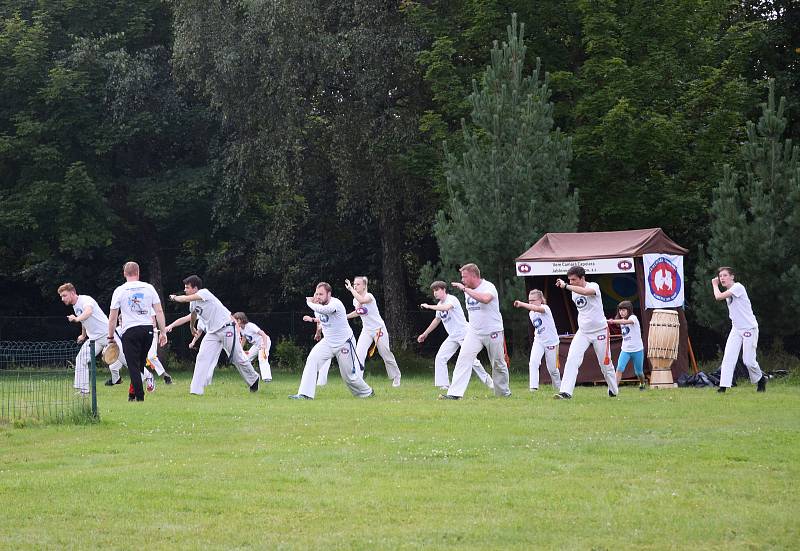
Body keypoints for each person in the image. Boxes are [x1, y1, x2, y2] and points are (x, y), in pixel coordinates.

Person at [168, 275, 260, 395]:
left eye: (187, 287)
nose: (185, 290)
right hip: (212, 333)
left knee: (237, 358)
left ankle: (253, 379)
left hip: (226, 327)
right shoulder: (193, 303)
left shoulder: (204, 292)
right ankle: (196, 390)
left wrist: (174, 297)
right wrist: (191, 327)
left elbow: (184, 299)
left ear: (195, 288)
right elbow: (194, 315)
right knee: (202, 357)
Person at [290, 282, 373, 400]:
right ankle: (305, 394)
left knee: (348, 376)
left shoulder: (336, 304)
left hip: (345, 343)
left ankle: (367, 392)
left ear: (329, 294)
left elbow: (325, 310)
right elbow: (322, 319)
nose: (318, 297)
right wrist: (318, 333)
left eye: (321, 294)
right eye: (317, 294)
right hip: (328, 342)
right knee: (312, 359)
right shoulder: (318, 305)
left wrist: (309, 302)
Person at [439, 263, 511, 400]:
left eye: (464, 277)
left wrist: (465, 290)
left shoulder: (488, 287)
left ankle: (503, 393)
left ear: (473, 275)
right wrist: (466, 290)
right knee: (463, 359)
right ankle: (454, 394)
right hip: (474, 332)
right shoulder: (468, 289)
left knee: (498, 363)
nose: (462, 280)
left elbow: (485, 299)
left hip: (493, 331)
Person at [553, 266, 618, 399]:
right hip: (583, 332)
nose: (571, 282)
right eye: (569, 280)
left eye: (574, 279)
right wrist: (567, 286)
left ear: (582, 278)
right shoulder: (573, 291)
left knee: (605, 364)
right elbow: (577, 292)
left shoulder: (594, 286)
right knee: (572, 359)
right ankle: (565, 392)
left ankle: (613, 390)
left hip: (600, 331)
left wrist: (565, 286)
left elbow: (587, 292)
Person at [417, 280, 494, 391]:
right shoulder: (439, 304)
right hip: (453, 336)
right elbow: (437, 319)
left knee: (472, 361)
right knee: (440, 357)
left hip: (464, 333)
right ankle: (444, 385)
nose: (435, 293)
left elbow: (447, 308)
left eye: (437, 290)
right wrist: (425, 334)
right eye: (434, 291)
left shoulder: (451, 299)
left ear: (444, 290)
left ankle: (489, 381)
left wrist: (429, 306)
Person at [107, 262, 168, 402]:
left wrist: (110, 336)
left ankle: (139, 398)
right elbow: (159, 311)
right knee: (140, 364)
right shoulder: (149, 288)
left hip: (130, 331)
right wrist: (163, 332)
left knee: (134, 366)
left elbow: (113, 317)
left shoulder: (120, 290)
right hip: (148, 330)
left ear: (124, 273)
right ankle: (132, 395)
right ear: (138, 272)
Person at [58, 283, 120, 395]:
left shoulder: (86, 299)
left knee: (128, 360)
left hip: (107, 334)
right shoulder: (75, 305)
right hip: (94, 339)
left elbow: (88, 312)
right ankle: (84, 391)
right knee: (81, 359)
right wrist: (83, 335)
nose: (62, 299)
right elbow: (84, 321)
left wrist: (76, 319)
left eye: (64, 295)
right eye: (61, 296)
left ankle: (148, 378)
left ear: (72, 293)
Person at [712, 267, 766, 393]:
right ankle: (723, 387)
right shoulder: (729, 291)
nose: (722, 278)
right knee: (728, 357)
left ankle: (761, 379)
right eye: (720, 276)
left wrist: (715, 285)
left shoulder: (738, 287)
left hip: (749, 328)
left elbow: (718, 296)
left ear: (732, 277)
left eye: (725, 275)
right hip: (736, 329)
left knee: (748, 361)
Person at [344, 276, 402, 387]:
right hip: (366, 330)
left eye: (358, 284)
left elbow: (362, 300)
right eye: (354, 284)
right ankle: (358, 380)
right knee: (359, 353)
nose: (355, 286)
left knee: (385, 354)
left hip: (378, 329)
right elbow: (358, 311)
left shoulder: (369, 296)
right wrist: (345, 316)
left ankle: (396, 376)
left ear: (364, 286)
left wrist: (351, 289)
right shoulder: (355, 299)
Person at [513, 289, 562, 392]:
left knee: (552, 370)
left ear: (540, 300)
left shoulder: (545, 308)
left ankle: (559, 389)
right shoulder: (531, 313)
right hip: (539, 341)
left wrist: (522, 304)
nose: (531, 303)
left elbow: (536, 308)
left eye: (533, 300)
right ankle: (533, 388)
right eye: (529, 300)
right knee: (533, 362)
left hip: (551, 342)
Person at [607, 300, 645, 390]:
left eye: (624, 310)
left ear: (629, 310)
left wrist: (613, 321)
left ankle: (642, 383)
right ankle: (614, 389)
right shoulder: (622, 320)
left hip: (637, 350)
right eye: (620, 310)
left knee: (639, 372)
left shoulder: (633, 317)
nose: (621, 312)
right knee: (619, 368)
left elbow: (628, 322)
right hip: (625, 350)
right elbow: (623, 323)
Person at [232, 312, 272, 382]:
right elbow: (244, 338)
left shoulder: (250, 326)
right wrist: (240, 349)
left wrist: (264, 345)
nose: (234, 322)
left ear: (239, 320)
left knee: (262, 358)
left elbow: (263, 334)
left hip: (264, 342)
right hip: (256, 345)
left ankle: (267, 378)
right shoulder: (241, 328)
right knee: (246, 358)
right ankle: (252, 377)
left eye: (235, 320)